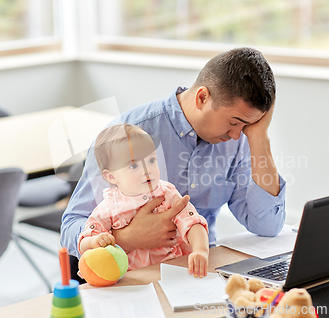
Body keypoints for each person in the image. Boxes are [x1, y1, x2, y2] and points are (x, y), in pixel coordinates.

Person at [61, 47, 286, 264]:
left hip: (200, 270)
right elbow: (70, 228)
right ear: (202, 98)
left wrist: (259, 138)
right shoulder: (124, 136)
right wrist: (126, 239)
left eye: (247, 125)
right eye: (234, 122)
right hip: (134, 277)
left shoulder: (237, 141)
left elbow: (268, 226)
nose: (238, 134)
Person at [78, 124, 209, 277]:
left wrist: (201, 250)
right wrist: (95, 242)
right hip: (132, 278)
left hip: (172, 271)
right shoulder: (108, 208)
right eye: (133, 166)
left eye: (152, 160)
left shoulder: (167, 194)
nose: (147, 170)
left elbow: (193, 223)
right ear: (111, 176)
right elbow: (84, 243)